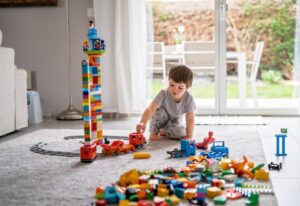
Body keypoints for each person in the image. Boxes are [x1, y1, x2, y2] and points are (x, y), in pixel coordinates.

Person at [136, 64, 196, 141]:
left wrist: (189, 136)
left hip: (175, 122)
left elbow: (190, 118)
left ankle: (165, 131)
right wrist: (142, 122)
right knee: (157, 111)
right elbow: (151, 108)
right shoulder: (163, 93)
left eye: (180, 87)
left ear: (187, 87)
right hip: (160, 118)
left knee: (181, 133)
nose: (175, 90)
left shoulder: (189, 98)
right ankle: (154, 133)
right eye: (172, 85)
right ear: (168, 81)